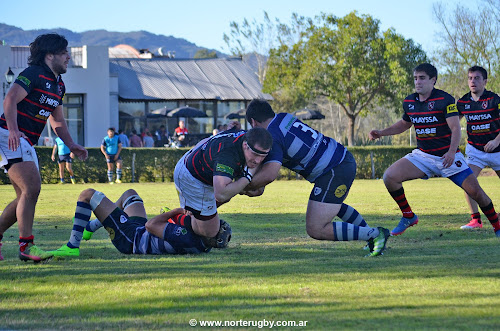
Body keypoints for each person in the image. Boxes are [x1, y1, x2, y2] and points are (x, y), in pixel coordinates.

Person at [245, 100, 390, 257]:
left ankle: (375, 234)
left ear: (253, 122)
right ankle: (372, 238)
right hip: (340, 160)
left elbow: (270, 174)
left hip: (334, 169)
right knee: (332, 205)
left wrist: (242, 186)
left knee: (316, 228)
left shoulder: (271, 135)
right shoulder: (283, 117)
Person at [369, 63, 500, 237]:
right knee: (389, 177)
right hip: (423, 156)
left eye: (422, 78)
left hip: (447, 156)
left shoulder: (445, 100)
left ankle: (497, 225)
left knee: (476, 192)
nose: (418, 82)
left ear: (433, 80)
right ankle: (408, 216)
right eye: (415, 78)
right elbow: (404, 124)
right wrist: (381, 133)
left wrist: (452, 152)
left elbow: (455, 129)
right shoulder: (409, 102)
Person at [0, 33, 88, 262]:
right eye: (63, 53)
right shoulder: (33, 74)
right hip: (8, 135)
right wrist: (12, 130)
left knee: (25, 196)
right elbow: (9, 100)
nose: (68, 57)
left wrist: (71, 145)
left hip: (24, 140)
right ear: (49, 55)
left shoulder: (59, 85)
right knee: (32, 188)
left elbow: (57, 120)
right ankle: (26, 247)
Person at [48, 188, 232, 257]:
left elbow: (150, 225)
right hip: (138, 231)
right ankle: (90, 227)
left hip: (131, 238)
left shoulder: (187, 237)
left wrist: (175, 211)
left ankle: (72, 245)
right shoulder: (200, 240)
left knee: (88, 195)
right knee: (130, 194)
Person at [173, 127, 273, 240]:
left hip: (202, 165)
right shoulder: (227, 155)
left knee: (255, 189)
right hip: (191, 177)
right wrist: (248, 176)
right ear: (245, 145)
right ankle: (176, 217)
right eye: (255, 154)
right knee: (210, 232)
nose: (258, 160)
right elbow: (220, 194)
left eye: (263, 156)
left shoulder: (251, 138)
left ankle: (196, 213)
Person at [456, 66, 500, 229]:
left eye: (476, 78)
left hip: (498, 150)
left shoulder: (494, 100)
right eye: (470, 78)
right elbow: (453, 123)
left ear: (485, 81)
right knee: (467, 182)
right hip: (475, 151)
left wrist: (496, 141)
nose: (473, 81)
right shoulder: (463, 102)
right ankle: (476, 220)